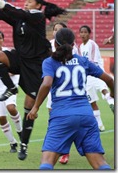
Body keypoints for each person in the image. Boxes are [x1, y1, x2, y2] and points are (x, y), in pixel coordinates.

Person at [0, 0, 66, 160]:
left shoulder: (38, 17)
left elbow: (18, 12)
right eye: (25, 1)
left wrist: (0, 1)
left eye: (30, 1)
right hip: (20, 59)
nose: (26, 3)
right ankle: (10, 87)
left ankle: (24, 145)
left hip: (35, 66)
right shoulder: (20, 18)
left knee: (29, 108)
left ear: (37, 6)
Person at [27, 28, 114, 170]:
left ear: (55, 44)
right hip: (86, 115)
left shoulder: (49, 62)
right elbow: (109, 80)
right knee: (99, 163)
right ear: (74, 44)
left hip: (62, 116)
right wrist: (113, 93)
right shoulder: (83, 61)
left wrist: (35, 107)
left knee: (47, 162)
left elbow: (47, 83)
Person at [46, 22, 80, 165]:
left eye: (59, 30)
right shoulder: (49, 45)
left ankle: (64, 152)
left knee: (65, 122)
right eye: (54, 30)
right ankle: (57, 149)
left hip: (68, 91)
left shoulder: (74, 48)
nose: (56, 32)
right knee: (53, 118)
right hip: (54, 89)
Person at [79, 25, 114, 125]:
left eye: (85, 32)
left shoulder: (92, 44)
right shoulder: (81, 47)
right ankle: (100, 125)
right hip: (88, 77)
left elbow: (93, 62)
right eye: (81, 32)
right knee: (92, 101)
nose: (83, 34)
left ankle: (112, 104)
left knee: (104, 91)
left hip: (97, 73)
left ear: (89, 34)